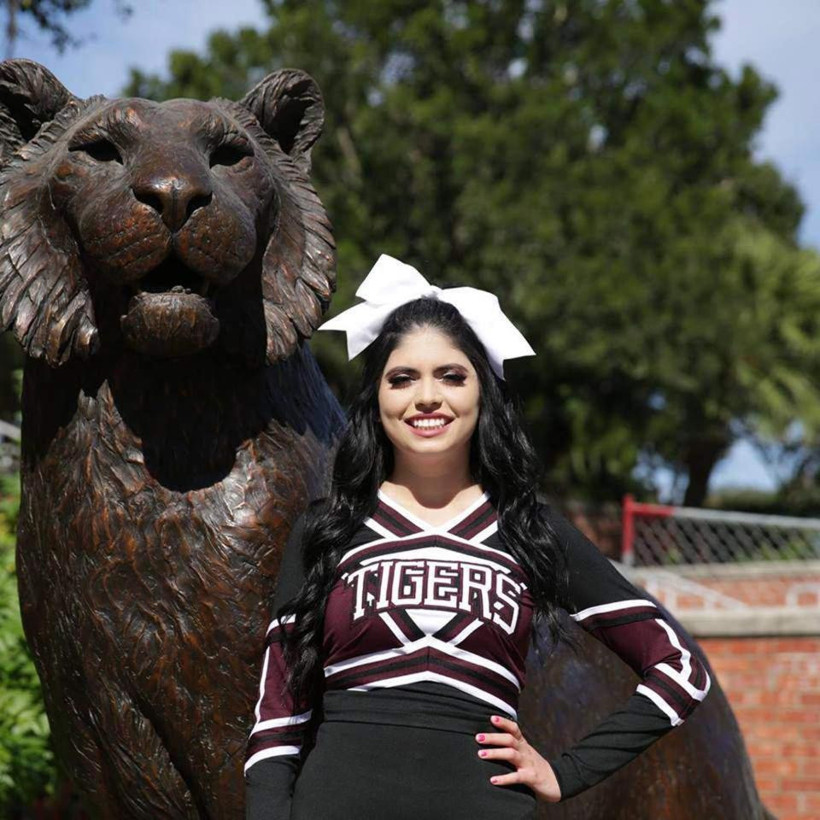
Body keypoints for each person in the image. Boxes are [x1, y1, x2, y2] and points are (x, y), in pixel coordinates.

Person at [244, 255, 711, 819]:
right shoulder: (326, 530)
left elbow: (679, 667)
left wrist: (566, 772)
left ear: (483, 393)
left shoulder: (529, 531)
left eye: (451, 376)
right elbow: (277, 724)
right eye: (402, 378)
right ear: (378, 398)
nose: (426, 398)